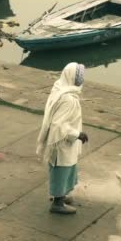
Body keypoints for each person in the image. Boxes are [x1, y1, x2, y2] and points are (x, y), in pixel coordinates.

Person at [36, 62, 89, 215]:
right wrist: (77, 134)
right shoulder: (68, 99)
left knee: (67, 168)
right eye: (80, 77)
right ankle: (57, 202)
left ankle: (61, 195)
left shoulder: (59, 88)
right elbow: (58, 125)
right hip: (62, 142)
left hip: (62, 143)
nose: (82, 80)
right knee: (62, 169)